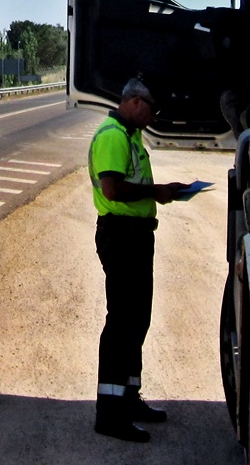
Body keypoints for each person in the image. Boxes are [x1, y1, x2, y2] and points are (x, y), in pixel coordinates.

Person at [87, 77, 187, 442]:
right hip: (121, 236)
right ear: (132, 101)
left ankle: (129, 398)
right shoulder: (113, 136)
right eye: (151, 108)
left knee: (137, 320)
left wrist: (161, 193)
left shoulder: (130, 136)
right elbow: (112, 188)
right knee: (122, 323)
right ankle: (109, 414)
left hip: (137, 237)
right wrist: (156, 192)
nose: (153, 116)